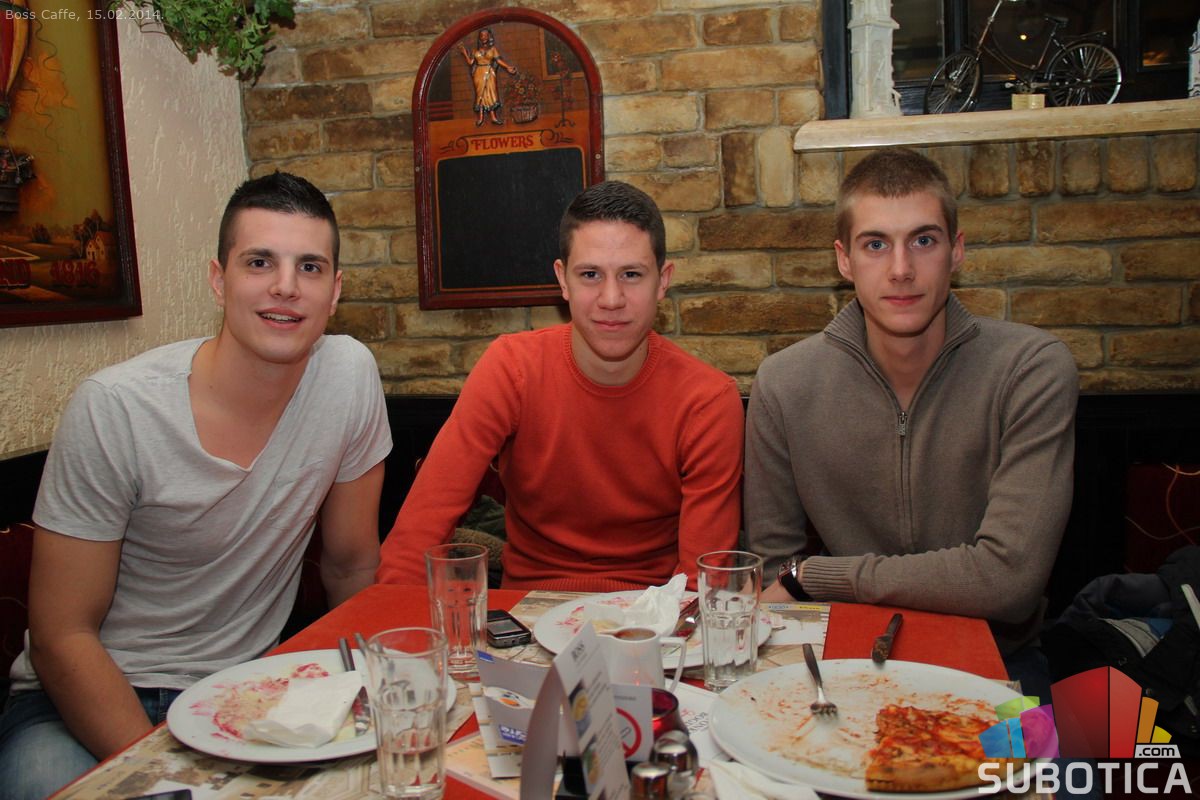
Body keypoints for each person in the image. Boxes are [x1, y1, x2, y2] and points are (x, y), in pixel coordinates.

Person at [0, 173, 393, 800]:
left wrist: (371, 700)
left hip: (249, 694)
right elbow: (60, 636)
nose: (286, 286)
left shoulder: (348, 376)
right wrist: (164, 780)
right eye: (259, 262)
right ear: (218, 279)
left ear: (335, 290)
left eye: (310, 267)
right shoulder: (116, 408)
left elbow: (350, 566)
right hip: (85, 698)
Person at [745, 148, 1078, 663]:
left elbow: (1009, 579)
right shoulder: (785, 383)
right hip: (845, 656)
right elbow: (774, 577)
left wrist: (818, 576)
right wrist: (801, 582)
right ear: (844, 260)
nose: (901, 269)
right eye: (875, 244)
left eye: (924, 241)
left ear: (956, 251)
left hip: (996, 659)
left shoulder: (1030, 369)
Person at [377, 180, 743, 591]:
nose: (611, 298)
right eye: (590, 274)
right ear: (562, 280)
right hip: (524, 608)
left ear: (662, 280)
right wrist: (396, 623)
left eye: (631, 274)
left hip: (653, 612)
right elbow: (418, 532)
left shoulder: (708, 401)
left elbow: (702, 583)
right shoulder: (511, 369)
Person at [459, 27, 517, 127]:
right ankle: (481, 117)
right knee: (480, 94)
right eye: (482, 35)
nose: (484, 37)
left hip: (490, 72)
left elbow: (498, 60)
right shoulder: (475, 50)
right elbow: (471, 62)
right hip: (479, 73)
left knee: (490, 93)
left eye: (486, 35)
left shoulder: (493, 49)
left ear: (489, 36)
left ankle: (493, 117)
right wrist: (464, 53)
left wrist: (507, 67)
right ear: (479, 38)